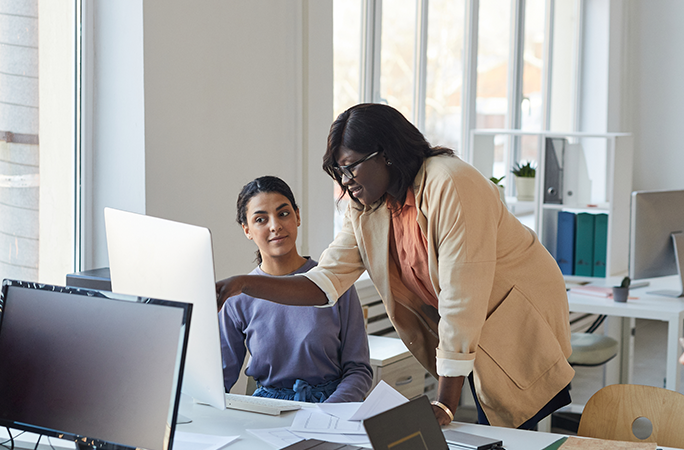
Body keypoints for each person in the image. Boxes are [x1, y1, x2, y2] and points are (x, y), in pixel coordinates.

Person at [217, 104, 574, 428]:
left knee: (512, 428)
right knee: (484, 426)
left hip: (515, 319)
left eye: (351, 166)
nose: (345, 180)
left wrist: (446, 405)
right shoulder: (368, 205)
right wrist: (243, 286)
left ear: (386, 155)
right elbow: (324, 283)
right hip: (469, 332)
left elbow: (461, 300)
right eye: (339, 171)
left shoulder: (450, 183)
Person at [219, 176, 373, 403]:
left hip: (332, 408)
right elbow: (219, 381)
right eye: (261, 219)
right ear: (247, 230)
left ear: (297, 216)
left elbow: (359, 371)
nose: (275, 226)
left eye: (283, 214)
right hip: (269, 414)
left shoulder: (333, 283)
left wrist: (328, 412)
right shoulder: (237, 297)